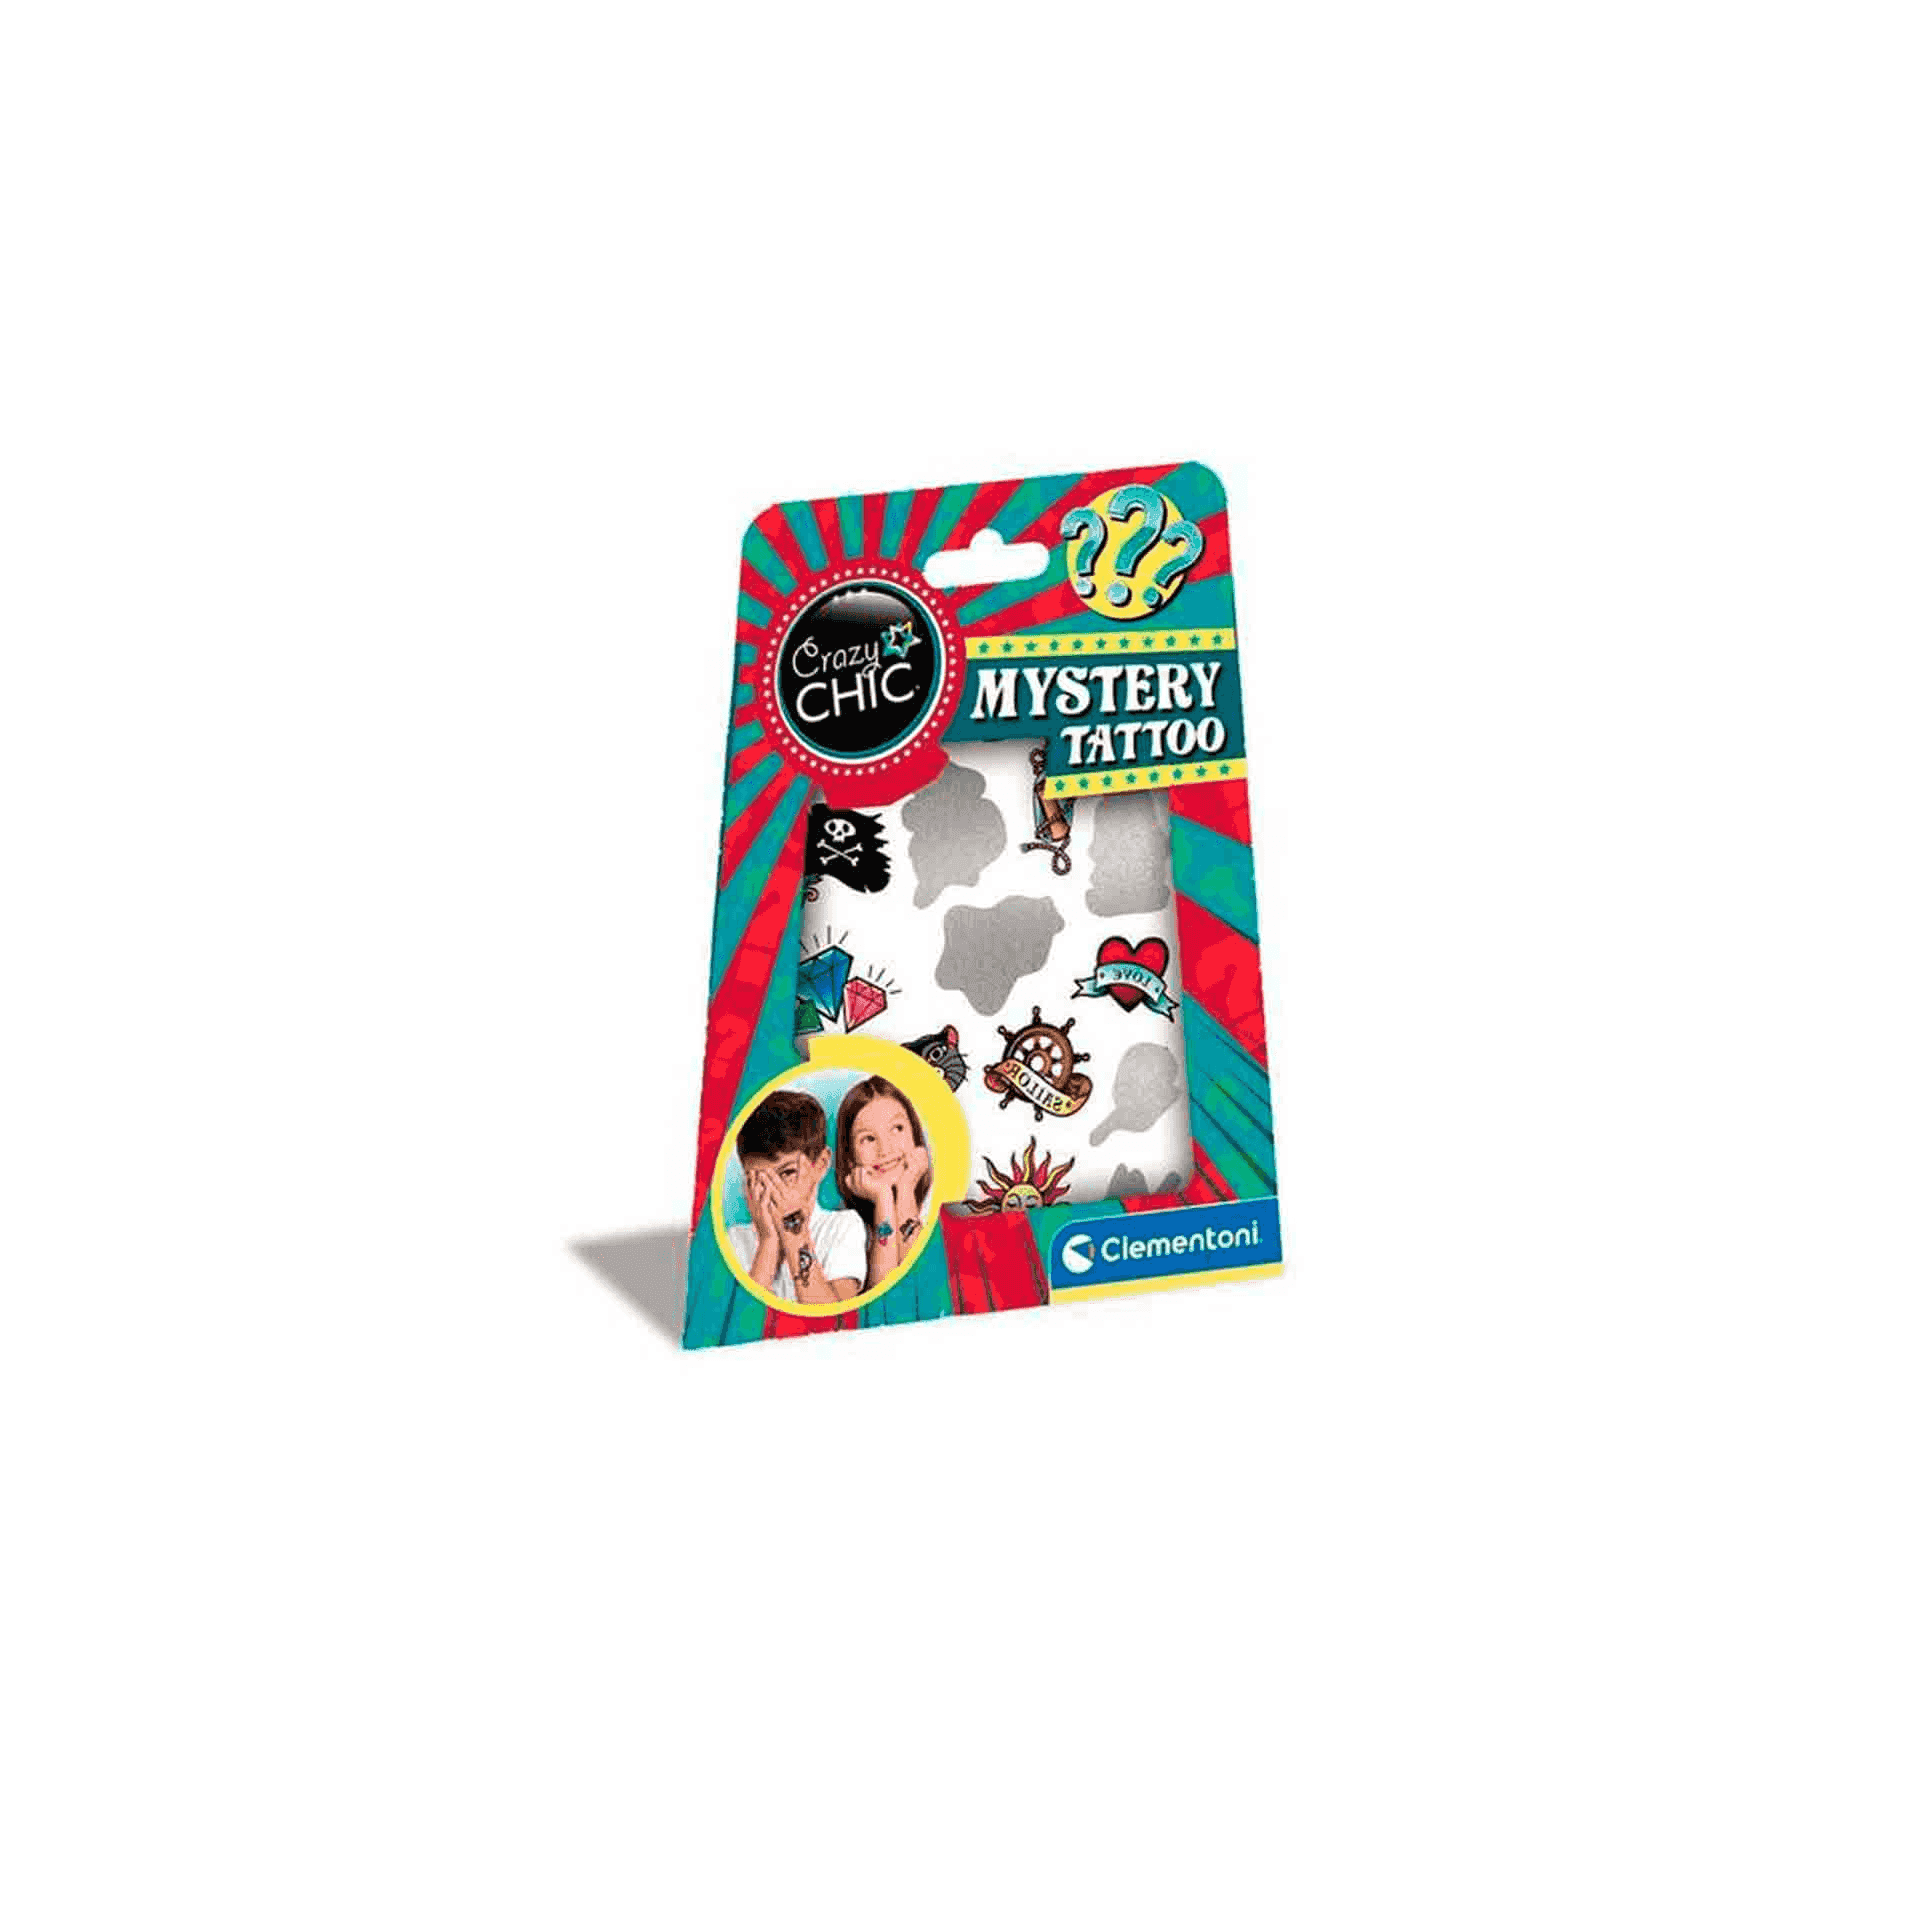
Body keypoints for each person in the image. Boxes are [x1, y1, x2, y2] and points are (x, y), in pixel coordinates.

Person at [727, 1089, 865, 1304]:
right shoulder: (735, 1239)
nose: (773, 1191)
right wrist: (768, 1242)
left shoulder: (843, 1226)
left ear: (821, 1164)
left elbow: (830, 1315)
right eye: (760, 1180)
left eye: (787, 1173)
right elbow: (744, 1319)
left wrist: (792, 1228)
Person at [833, 1076, 933, 1295]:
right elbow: (886, 1294)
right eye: (868, 1139)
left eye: (897, 1128)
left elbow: (922, 1278)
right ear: (850, 1160)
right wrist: (883, 1199)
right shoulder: (844, 1225)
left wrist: (906, 1188)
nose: (886, 1149)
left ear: (915, 1135)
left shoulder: (938, 1202)